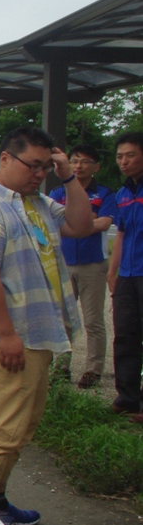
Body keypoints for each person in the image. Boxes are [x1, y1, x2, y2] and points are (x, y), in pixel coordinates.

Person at [0, 127, 92, 525]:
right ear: (5, 158)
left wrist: (68, 176)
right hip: (6, 337)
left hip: (36, 334)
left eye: (45, 167)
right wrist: (6, 335)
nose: (40, 174)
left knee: (20, 425)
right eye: (33, 165)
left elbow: (81, 224)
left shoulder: (35, 203)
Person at [49, 144, 114, 389]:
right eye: (75, 160)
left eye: (85, 161)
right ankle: (61, 366)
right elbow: (52, 221)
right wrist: (88, 218)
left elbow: (105, 223)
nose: (79, 166)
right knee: (63, 319)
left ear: (96, 167)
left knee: (93, 320)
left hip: (93, 264)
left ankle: (93, 369)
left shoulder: (104, 194)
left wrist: (75, 220)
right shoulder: (58, 192)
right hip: (64, 263)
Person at [108, 131, 143, 422]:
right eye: (120, 156)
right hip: (128, 275)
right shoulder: (123, 194)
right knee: (125, 335)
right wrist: (113, 271)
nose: (124, 161)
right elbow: (120, 234)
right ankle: (128, 398)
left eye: (130, 155)